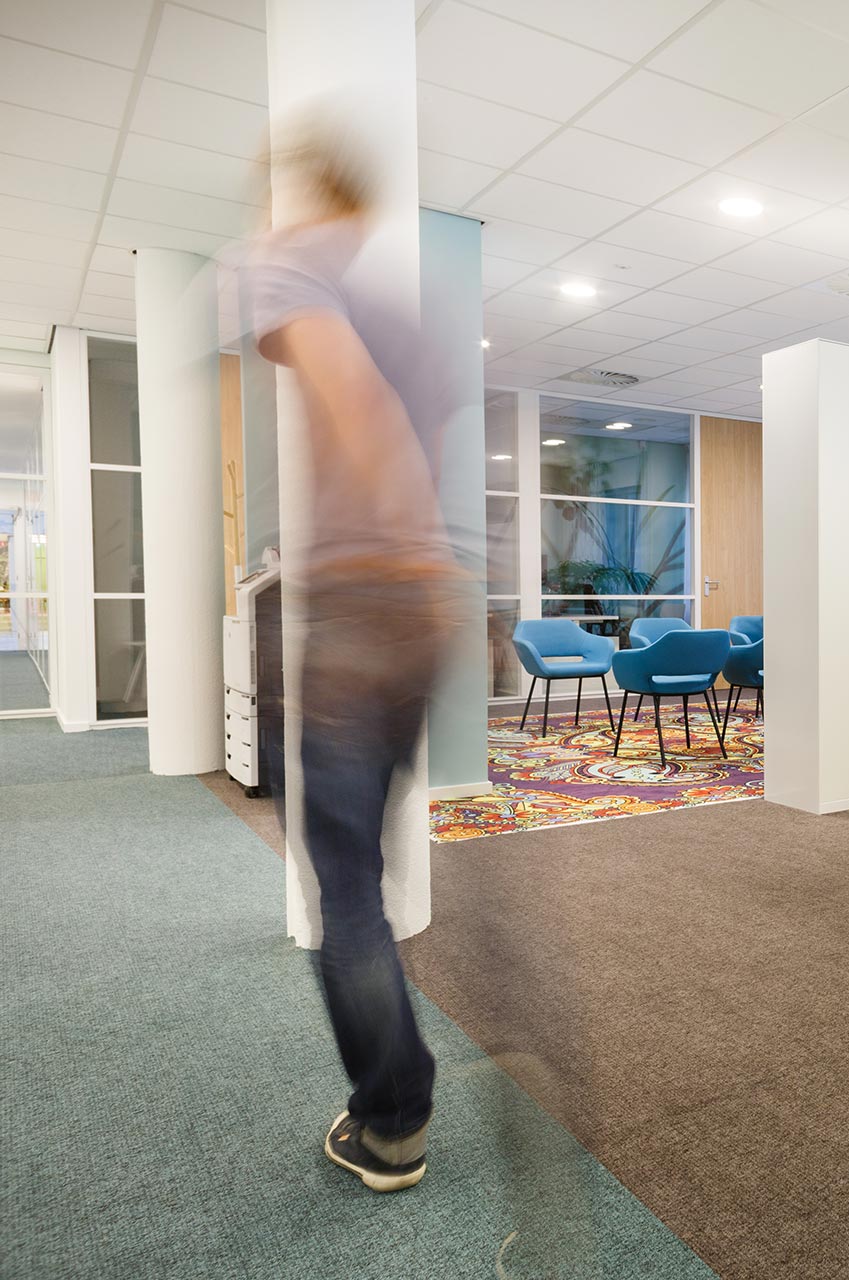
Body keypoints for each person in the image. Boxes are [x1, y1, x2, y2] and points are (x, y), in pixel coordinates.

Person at [248, 126, 463, 1193]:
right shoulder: (408, 325)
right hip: (411, 613)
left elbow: (354, 398)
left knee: (346, 890)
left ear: (309, 198)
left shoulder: (292, 271)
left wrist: (406, 551)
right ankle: (396, 1096)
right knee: (361, 868)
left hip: (364, 607)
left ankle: (392, 1118)